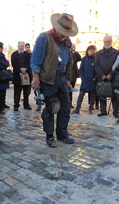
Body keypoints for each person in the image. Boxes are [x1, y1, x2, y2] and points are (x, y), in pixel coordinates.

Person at [30, 13, 78, 148]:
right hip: (48, 79)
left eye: (66, 32)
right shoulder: (43, 38)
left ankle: (62, 134)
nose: (64, 35)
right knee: (52, 107)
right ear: (55, 27)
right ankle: (49, 136)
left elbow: (68, 62)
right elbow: (35, 61)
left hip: (62, 78)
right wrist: (35, 78)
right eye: (62, 32)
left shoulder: (67, 41)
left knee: (65, 107)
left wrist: (67, 79)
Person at [94, 35, 119, 118]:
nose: (107, 43)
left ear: (111, 42)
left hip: (112, 77)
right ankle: (103, 111)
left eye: (109, 41)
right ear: (103, 42)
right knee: (102, 94)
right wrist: (102, 75)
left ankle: (115, 112)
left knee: (114, 95)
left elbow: (117, 65)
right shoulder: (99, 53)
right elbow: (96, 65)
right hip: (102, 77)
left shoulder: (116, 53)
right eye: (105, 41)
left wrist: (111, 74)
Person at [72, 45, 97, 115]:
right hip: (85, 80)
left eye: (93, 51)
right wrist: (82, 77)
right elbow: (81, 69)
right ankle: (77, 109)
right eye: (90, 50)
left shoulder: (96, 59)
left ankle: (91, 108)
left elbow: (97, 70)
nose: (91, 52)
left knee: (92, 95)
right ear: (87, 51)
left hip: (92, 80)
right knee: (81, 95)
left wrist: (95, 78)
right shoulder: (84, 59)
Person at [11, 41, 32, 111]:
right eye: (20, 46)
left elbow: (29, 63)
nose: (22, 47)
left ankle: (26, 105)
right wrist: (20, 69)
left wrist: (25, 69)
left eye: (23, 46)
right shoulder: (14, 54)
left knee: (26, 92)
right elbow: (14, 64)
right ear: (18, 46)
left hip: (26, 75)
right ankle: (16, 105)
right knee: (17, 92)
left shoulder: (27, 55)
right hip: (17, 75)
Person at [69, 43, 81, 108]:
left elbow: (79, 58)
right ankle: (67, 102)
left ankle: (70, 103)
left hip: (74, 74)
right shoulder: (68, 53)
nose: (73, 48)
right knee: (68, 89)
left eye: (74, 46)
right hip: (69, 74)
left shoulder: (75, 54)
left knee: (72, 89)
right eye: (72, 46)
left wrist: (76, 53)